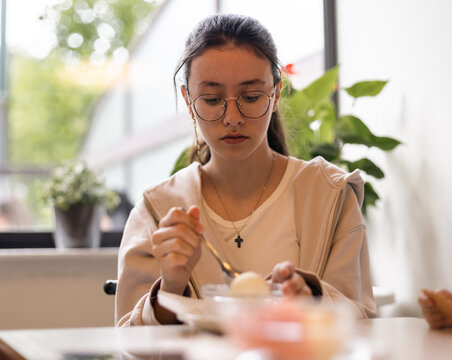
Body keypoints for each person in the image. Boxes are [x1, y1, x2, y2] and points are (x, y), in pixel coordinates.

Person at [116, 14, 376, 326]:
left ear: (276, 94)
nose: (233, 118)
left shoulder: (330, 194)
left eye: (251, 97)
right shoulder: (157, 211)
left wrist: (314, 298)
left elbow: (361, 323)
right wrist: (170, 289)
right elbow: (128, 345)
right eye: (212, 99)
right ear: (188, 100)